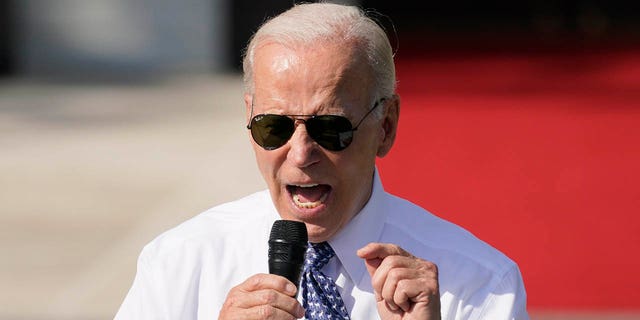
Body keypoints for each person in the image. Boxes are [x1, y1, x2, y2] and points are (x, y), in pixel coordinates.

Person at [115, 3, 528, 320]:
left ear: (385, 127)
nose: (300, 154)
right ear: (248, 118)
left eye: (331, 129)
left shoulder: (479, 283)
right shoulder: (180, 262)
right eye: (274, 127)